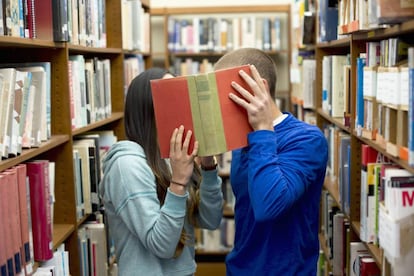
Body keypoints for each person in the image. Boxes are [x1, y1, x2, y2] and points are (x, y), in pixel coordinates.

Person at [214, 48, 328, 275]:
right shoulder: (242, 139)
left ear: (259, 90)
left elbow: (268, 206)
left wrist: (264, 129)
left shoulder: (308, 140)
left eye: (223, 94)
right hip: (239, 269)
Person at [99, 68, 224, 276]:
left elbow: (210, 220)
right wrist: (178, 182)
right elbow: (162, 246)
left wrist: (209, 167)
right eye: (172, 95)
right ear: (149, 108)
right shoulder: (127, 165)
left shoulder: (172, 158)